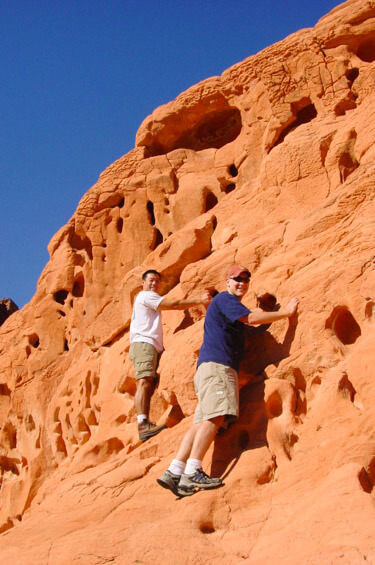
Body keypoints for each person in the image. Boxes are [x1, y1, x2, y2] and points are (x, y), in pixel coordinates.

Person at [157, 265, 299, 496]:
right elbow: (251, 318)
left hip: (208, 368)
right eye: (237, 279)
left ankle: (175, 470)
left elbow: (248, 322)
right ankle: (193, 470)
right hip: (219, 367)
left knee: (201, 421)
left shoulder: (226, 306)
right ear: (227, 282)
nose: (242, 283)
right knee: (215, 415)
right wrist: (286, 313)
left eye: (246, 279)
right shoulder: (225, 299)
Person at [130, 269, 211, 442]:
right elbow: (173, 305)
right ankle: (143, 424)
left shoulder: (146, 298)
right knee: (144, 380)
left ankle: (145, 423)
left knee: (148, 382)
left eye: (157, 281)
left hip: (150, 344)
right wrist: (199, 301)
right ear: (143, 283)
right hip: (144, 343)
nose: (154, 284)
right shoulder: (145, 296)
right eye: (151, 280)